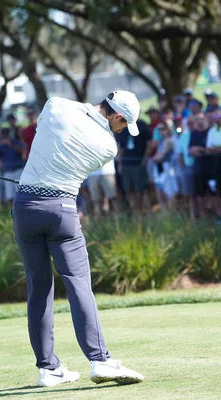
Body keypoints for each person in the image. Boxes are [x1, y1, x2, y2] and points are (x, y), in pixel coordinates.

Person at [13, 92, 145, 388]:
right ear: (116, 117)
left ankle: (47, 368)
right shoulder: (107, 146)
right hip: (61, 211)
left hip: (24, 208)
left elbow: (53, 123)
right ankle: (99, 360)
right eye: (124, 125)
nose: (122, 131)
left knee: (38, 288)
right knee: (78, 282)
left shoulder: (56, 106)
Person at [117, 120, 152, 214]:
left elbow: (149, 143)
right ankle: (135, 210)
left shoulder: (142, 125)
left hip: (138, 162)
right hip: (126, 163)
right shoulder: (123, 126)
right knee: (128, 189)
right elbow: (121, 147)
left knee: (140, 189)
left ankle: (142, 210)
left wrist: (145, 158)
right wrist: (120, 163)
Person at [0, 127, 26, 204]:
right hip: (8, 172)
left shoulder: (16, 142)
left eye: (7, 134)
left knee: (21, 194)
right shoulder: (0, 145)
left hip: (18, 170)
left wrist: (11, 145)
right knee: (10, 197)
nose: (5, 136)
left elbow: (23, 152)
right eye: (4, 134)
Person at [188, 113, 213, 219]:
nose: (199, 121)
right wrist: (198, 149)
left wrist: (199, 149)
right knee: (199, 194)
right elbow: (190, 150)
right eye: (197, 120)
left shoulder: (210, 132)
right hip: (198, 167)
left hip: (211, 167)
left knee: (213, 192)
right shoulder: (194, 134)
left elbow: (210, 149)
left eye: (201, 119)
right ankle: (202, 215)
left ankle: (217, 215)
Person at [152, 122, 179, 212]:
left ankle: (171, 214)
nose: (161, 131)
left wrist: (156, 158)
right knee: (160, 193)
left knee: (169, 193)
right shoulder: (160, 142)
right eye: (159, 129)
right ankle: (165, 215)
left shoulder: (169, 141)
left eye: (163, 129)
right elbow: (156, 157)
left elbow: (161, 156)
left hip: (168, 168)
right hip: (160, 169)